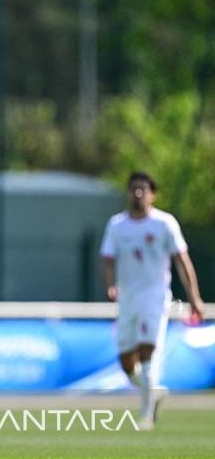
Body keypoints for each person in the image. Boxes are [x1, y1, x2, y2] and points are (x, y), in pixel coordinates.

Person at [100, 171, 205, 431]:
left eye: (143, 189)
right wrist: (110, 285)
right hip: (128, 299)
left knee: (148, 350)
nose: (138, 194)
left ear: (152, 194)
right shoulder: (116, 225)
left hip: (155, 297)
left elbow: (182, 260)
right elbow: (107, 259)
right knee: (127, 362)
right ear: (128, 192)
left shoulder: (164, 223)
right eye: (133, 188)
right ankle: (154, 390)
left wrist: (195, 297)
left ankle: (146, 415)